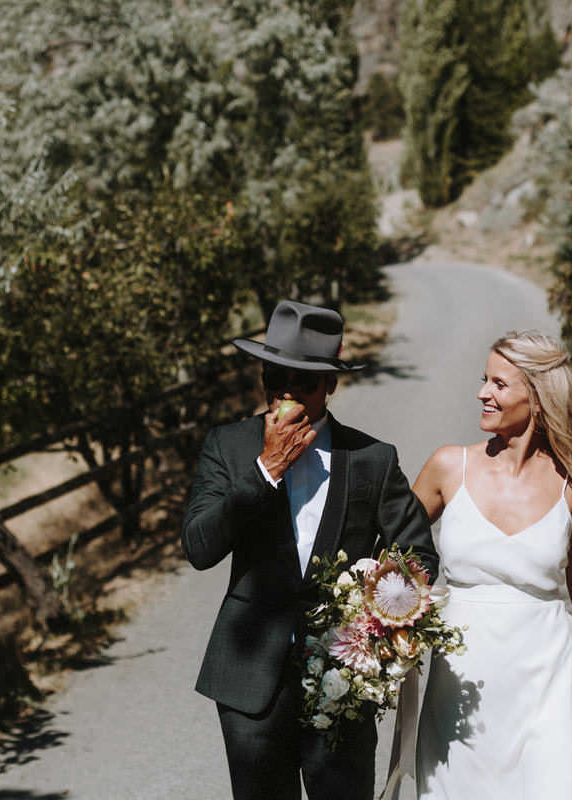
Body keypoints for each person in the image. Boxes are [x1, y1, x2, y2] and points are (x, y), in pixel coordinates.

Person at [182, 299, 439, 800]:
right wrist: (264, 472)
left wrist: (375, 623)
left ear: (329, 384)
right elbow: (199, 546)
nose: (286, 391)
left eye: (303, 381)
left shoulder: (371, 458)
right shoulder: (228, 446)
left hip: (344, 684)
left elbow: (418, 557)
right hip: (249, 681)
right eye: (275, 375)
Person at [405, 331, 572, 799]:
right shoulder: (449, 467)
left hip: (548, 678)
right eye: (482, 380)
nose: (482, 393)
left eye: (498, 384)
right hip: (461, 679)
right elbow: (396, 558)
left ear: (536, 397)